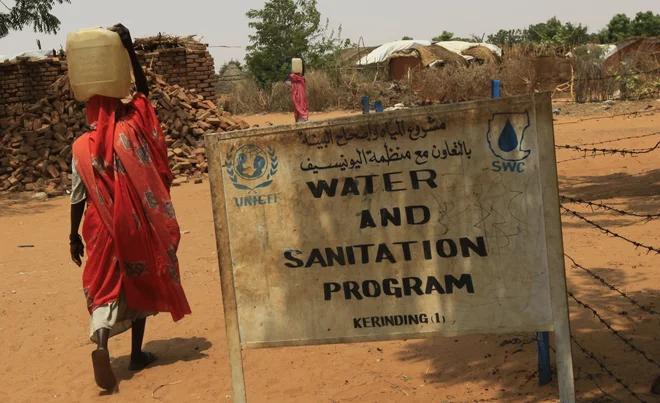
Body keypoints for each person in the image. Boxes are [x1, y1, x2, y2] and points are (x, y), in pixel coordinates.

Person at [69, 23, 191, 391]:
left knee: (105, 286)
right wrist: (129, 48)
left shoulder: (80, 148)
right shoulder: (132, 130)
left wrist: (72, 236)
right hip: (135, 224)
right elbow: (144, 94)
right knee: (142, 275)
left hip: (99, 227)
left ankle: (102, 344)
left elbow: (77, 196)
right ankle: (137, 353)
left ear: (89, 107)